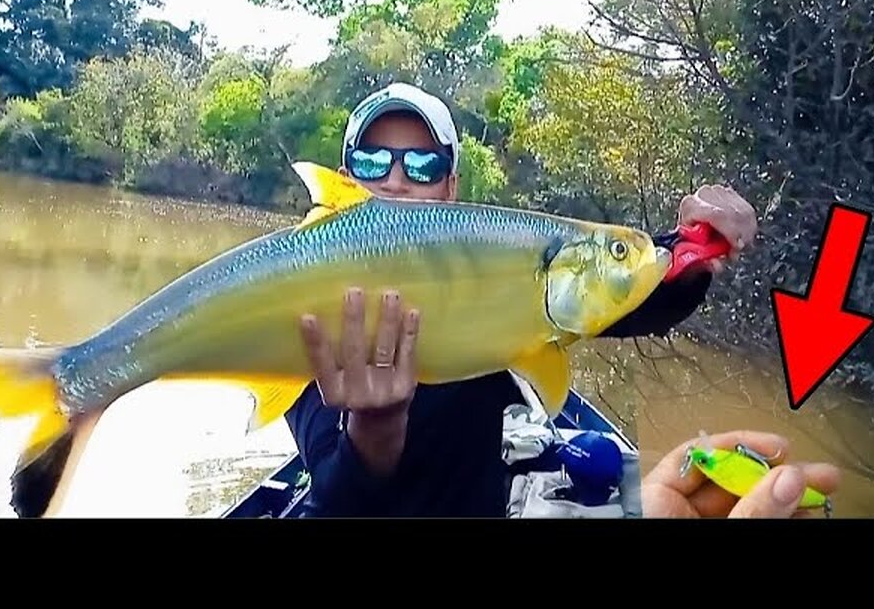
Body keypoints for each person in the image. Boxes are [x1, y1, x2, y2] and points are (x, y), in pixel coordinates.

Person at [282, 81, 835, 518]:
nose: (398, 180)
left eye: (423, 165)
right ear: (346, 178)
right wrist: (372, 433)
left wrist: (689, 249)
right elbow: (333, 496)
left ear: (450, 188)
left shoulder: (497, 275)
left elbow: (616, 291)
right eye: (376, 163)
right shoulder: (281, 295)